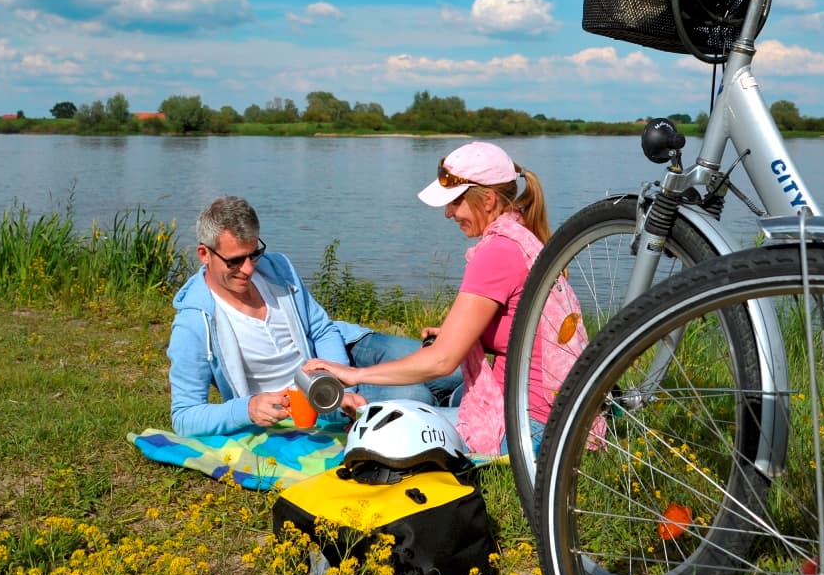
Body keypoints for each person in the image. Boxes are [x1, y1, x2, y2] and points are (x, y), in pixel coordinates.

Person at [303, 141, 589, 455]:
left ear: (489, 199)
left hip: (527, 429)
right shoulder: (523, 236)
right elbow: (519, 324)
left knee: (379, 428)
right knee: (450, 398)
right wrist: (460, 332)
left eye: (454, 202)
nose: (448, 213)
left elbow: (442, 361)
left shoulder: (496, 252)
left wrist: (352, 374)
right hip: (559, 417)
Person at [168, 195, 461, 436]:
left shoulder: (277, 268)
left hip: (343, 352)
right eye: (234, 261)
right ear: (204, 254)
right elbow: (184, 416)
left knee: (456, 366)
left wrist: (342, 381)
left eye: (253, 254)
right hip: (311, 401)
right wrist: (247, 409)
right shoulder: (194, 323)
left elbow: (322, 330)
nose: (248, 269)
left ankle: (465, 400)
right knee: (416, 396)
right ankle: (472, 415)